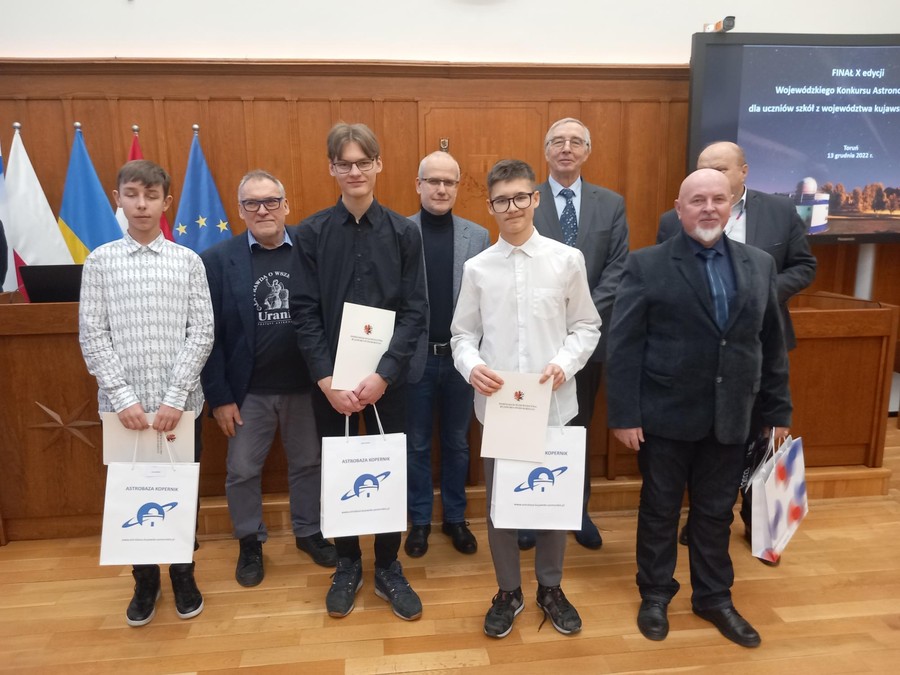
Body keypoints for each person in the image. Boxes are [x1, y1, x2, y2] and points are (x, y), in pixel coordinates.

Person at [606, 168, 792, 648]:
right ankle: (655, 594)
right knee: (660, 510)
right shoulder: (646, 265)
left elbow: (771, 345)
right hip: (664, 416)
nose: (709, 208)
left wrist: (777, 413)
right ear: (679, 208)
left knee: (715, 513)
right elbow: (624, 345)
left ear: (731, 205)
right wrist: (624, 415)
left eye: (718, 199)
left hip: (733, 417)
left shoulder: (759, 265)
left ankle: (713, 597)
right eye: (697, 200)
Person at [451, 159, 601, 638]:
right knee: (502, 504)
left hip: (554, 406)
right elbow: (462, 335)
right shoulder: (478, 268)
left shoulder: (566, 259)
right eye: (502, 200)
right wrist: (472, 367)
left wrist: (565, 363)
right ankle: (508, 591)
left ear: (535, 199)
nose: (512, 207)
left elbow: (587, 326)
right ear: (490, 206)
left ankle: (550, 588)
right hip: (501, 410)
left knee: (553, 500)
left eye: (520, 197)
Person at [292, 122, 428, 621]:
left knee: (390, 469)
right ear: (332, 168)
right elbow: (303, 312)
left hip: (390, 382)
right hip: (332, 386)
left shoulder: (404, 233)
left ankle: (388, 566)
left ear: (378, 165)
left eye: (363, 162)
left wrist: (385, 374)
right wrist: (326, 379)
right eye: (344, 163)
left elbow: (415, 311)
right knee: (342, 472)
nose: (354, 171)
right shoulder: (309, 234)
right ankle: (348, 564)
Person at [658, 141, 815, 551]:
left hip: (759, 346)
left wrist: (759, 291)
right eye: (704, 167)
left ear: (743, 172)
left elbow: (805, 265)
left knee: (757, 436)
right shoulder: (672, 220)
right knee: (709, 441)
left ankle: (758, 521)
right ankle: (706, 517)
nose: (713, 175)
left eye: (722, 168)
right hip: (697, 356)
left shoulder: (780, 211)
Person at [79, 159, 214, 626]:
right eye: (132, 195)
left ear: (166, 202)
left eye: (151, 196)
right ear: (118, 198)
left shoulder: (188, 261)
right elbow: (92, 335)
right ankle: (144, 578)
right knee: (133, 492)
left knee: (182, 492)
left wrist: (175, 397)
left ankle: (182, 572)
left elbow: (202, 332)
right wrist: (123, 399)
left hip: (181, 408)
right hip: (124, 413)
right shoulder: (100, 262)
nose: (141, 204)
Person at [200, 170, 337, 588]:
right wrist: (220, 397)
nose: (263, 210)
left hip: (306, 387)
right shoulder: (217, 260)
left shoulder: (312, 251)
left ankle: (309, 532)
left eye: (271, 201)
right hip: (248, 393)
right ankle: (249, 541)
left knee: (309, 463)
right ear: (240, 211)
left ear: (286, 205)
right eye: (252, 203)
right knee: (242, 470)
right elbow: (207, 335)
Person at [531, 117, 630, 551]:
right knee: (534, 426)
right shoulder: (527, 199)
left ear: (587, 151)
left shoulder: (611, 204)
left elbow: (618, 268)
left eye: (575, 141)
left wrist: (580, 315)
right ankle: (530, 511)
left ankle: (576, 509)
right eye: (558, 141)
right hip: (537, 337)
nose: (566, 148)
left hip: (590, 342)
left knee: (578, 428)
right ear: (546, 151)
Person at [404, 151, 490, 559]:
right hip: (414, 360)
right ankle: (420, 521)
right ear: (418, 185)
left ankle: (455, 518)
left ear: (457, 187)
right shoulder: (399, 231)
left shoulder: (478, 236)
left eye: (449, 182)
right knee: (417, 444)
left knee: (457, 443)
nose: (441, 189)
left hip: (462, 361)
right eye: (433, 181)